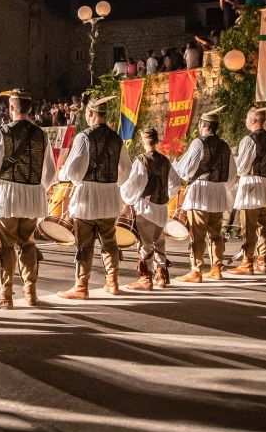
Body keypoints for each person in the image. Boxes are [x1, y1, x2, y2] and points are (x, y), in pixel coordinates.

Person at [0, 90, 56, 308]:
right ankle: (31, 294)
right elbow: (49, 172)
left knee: (6, 246)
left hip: (8, 195)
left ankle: (6, 296)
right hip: (32, 196)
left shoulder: (3, 132)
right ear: (30, 108)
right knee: (28, 244)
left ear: (11, 108)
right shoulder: (41, 134)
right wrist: (38, 188)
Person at [58, 95, 131, 299]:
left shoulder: (84, 137)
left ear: (90, 114)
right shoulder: (117, 138)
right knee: (109, 241)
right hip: (109, 195)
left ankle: (81, 286)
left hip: (87, 196)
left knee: (84, 243)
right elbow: (126, 169)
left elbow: (73, 170)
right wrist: (114, 184)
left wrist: (64, 174)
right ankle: (113, 282)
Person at [173, 110, 235, 282]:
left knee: (197, 233)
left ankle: (196, 270)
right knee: (216, 233)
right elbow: (232, 173)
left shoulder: (199, 143)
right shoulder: (224, 146)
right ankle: (216, 268)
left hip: (200, 193)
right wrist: (221, 187)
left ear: (203, 125)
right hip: (218, 193)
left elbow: (185, 170)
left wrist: (176, 166)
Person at [121, 126, 180, 289]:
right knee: (159, 242)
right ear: (156, 140)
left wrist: (128, 198)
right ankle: (161, 276)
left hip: (145, 208)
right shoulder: (165, 160)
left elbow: (134, 184)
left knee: (145, 243)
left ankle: (146, 278)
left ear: (143, 140)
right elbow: (175, 183)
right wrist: (165, 196)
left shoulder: (141, 160)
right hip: (161, 209)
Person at [228, 107, 266, 275]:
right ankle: (262, 261)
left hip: (251, 186)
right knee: (263, 227)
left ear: (254, 121)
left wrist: (234, 162)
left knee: (248, 227)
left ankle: (247, 262)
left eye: (247, 118)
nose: (245, 121)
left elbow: (242, 167)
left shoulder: (249, 140)